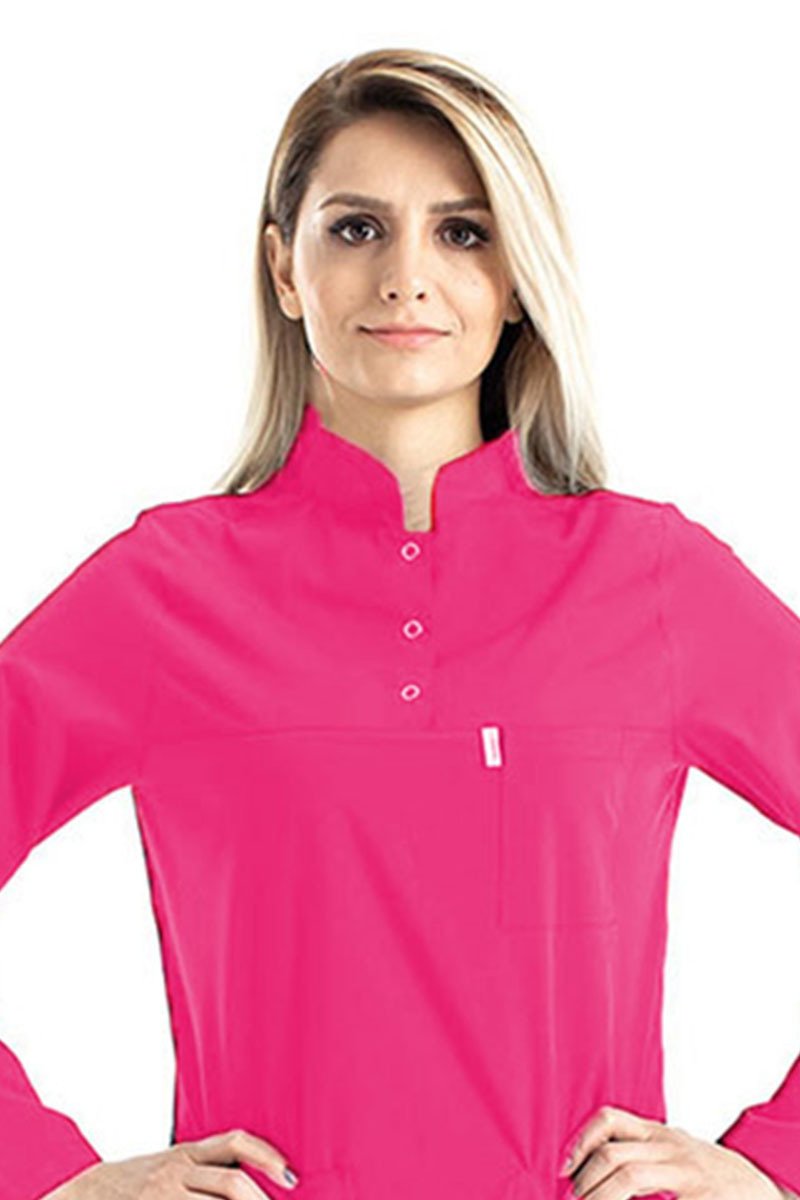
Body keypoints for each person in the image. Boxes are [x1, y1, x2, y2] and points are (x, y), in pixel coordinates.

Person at [2, 46, 799, 1200]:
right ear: (284, 269)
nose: (406, 278)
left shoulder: (651, 579)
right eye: (356, 229)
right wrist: (48, 1175)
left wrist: (771, 1160)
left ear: (516, 278)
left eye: (462, 232)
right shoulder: (166, 590)